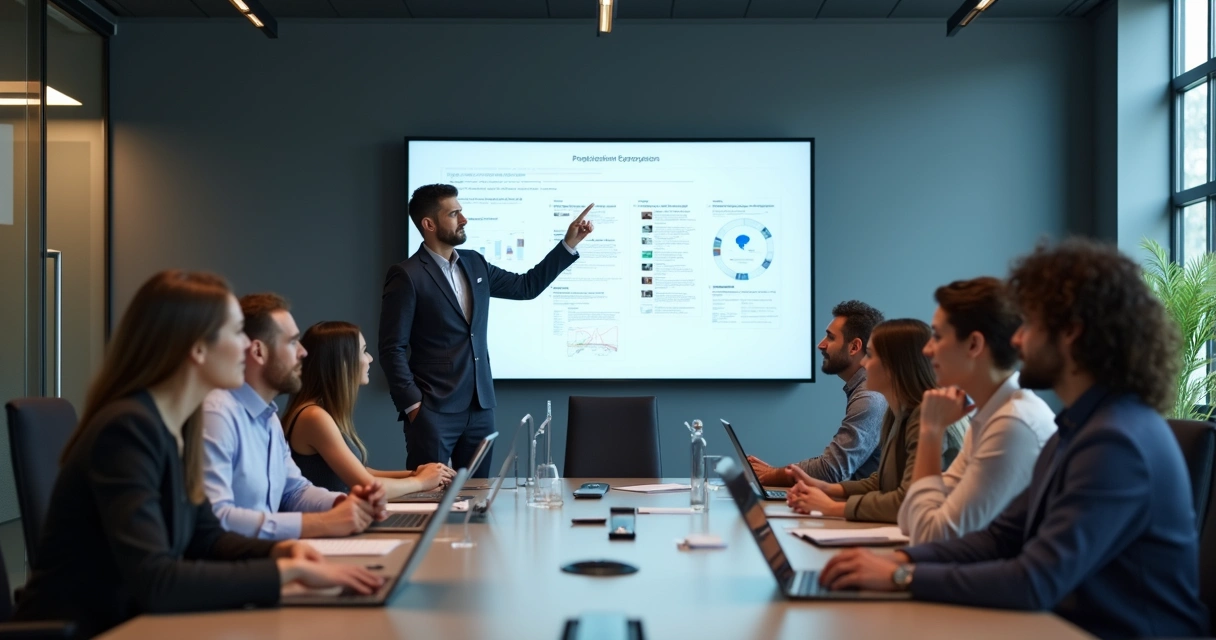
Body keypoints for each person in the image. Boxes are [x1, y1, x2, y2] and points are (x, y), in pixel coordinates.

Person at [818, 240, 1208, 639]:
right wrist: (902, 558)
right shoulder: (1080, 427)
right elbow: (1001, 537)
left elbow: (1036, 579)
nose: (1017, 341)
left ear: (1071, 334)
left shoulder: (1116, 442)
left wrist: (902, 574)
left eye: (1029, 326)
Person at [13, 271, 381, 638]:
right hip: (94, 628)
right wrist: (283, 575)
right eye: (236, 332)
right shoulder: (127, 429)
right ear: (198, 348)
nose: (246, 346)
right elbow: (156, 581)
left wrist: (282, 553)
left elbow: (206, 536)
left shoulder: (178, 424)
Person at [379, 184, 594, 477]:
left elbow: (526, 286)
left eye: (461, 212)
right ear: (428, 224)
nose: (463, 219)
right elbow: (392, 348)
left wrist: (569, 244)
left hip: (480, 409)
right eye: (454, 214)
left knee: (477, 499)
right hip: (433, 410)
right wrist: (414, 406)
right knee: (426, 499)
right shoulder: (407, 275)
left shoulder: (475, 263)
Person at [202, 293, 386, 540]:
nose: (303, 353)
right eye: (292, 343)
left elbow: (295, 491)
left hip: (265, 556)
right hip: (236, 566)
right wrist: (323, 522)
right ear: (258, 352)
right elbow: (218, 517)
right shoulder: (217, 415)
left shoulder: (269, 418)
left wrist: (344, 503)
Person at [898, 277, 1056, 543]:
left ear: (974, 345)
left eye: (936, 336)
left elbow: (929, 538)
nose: (926, 350)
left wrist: (931, 432)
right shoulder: (992, 414)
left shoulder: (1012, 424)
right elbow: (909, 520)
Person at [785, 319, 967, 522]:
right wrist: (825, 488)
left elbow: (906, 501)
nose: (862, 363)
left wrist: (831, 507)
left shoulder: (926, 417)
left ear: (895, 366)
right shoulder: (897, 412)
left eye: (870, 355)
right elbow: (884, 481)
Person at [283, 321, 455, 498]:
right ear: (343, 362)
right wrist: (421, 483)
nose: (370, 358)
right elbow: (366, 485)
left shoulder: (319, 412)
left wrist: (415, 474)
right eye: (364, 351)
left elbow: (363, 472)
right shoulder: (313, 416)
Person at [748, 301, 888, 485]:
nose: (821, 345)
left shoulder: (870, 398)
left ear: (854, 347)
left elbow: (831, 470)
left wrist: (772, 475)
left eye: (830, 338)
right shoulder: (867, 392)